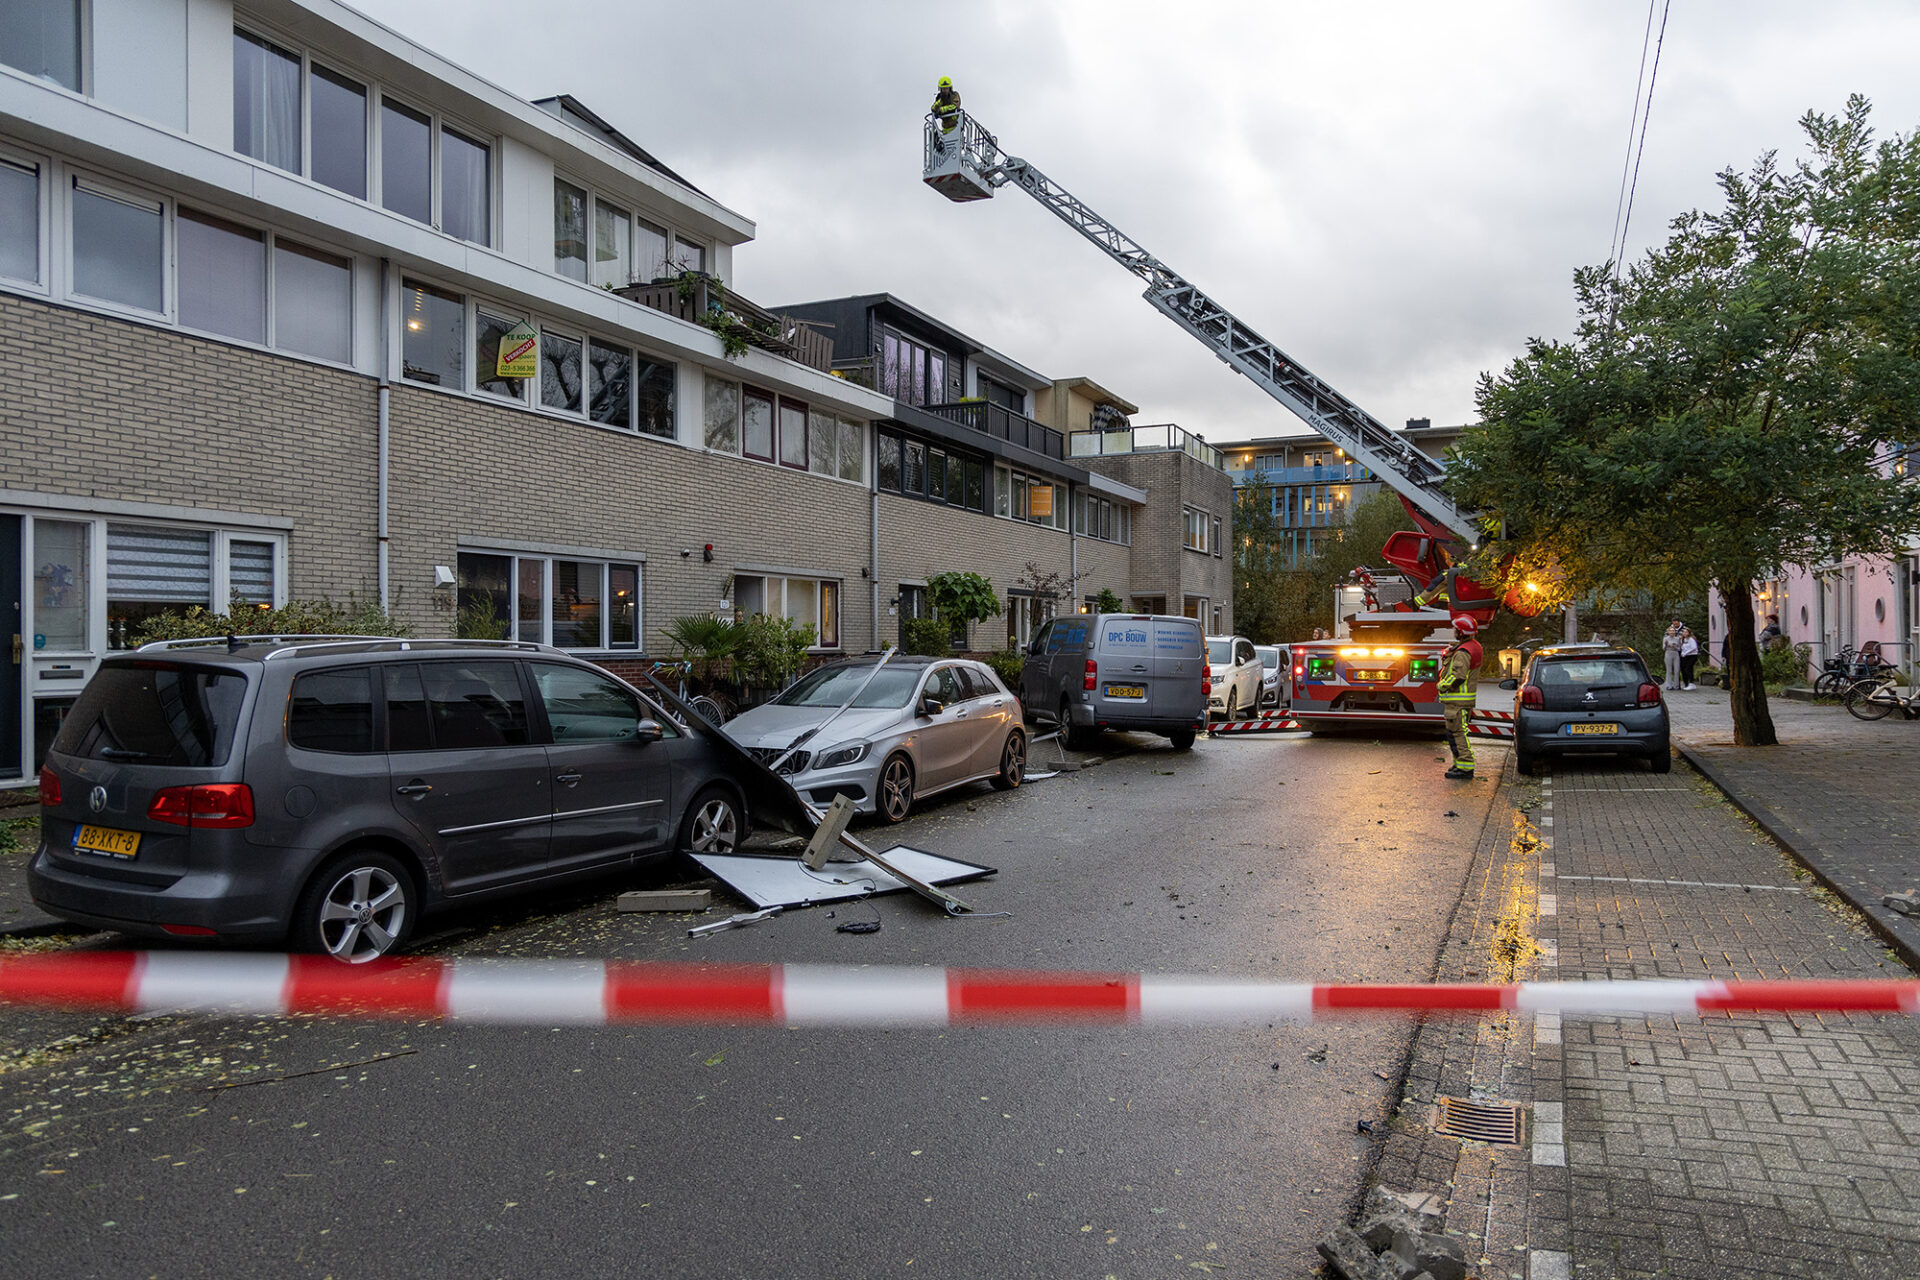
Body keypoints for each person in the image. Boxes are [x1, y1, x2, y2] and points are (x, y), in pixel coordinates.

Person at [1437, 615, 1482, 781]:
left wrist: (1441, 686)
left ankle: (1465, 768)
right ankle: (1459, 765)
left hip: (1457, 701)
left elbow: (1458, 677)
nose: (1453, 631)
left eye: (1455, 629)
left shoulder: (1463, 652)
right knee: (1454, 734)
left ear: (1460, 631)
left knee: (1457, 734)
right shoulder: (1470, 647)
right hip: (1460, 701)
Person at [1662, 621, 1683, 690]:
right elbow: (1663, 648)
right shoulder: (1665, 638)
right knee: (1669, 670)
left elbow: (1680, 648)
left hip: (1676, 653)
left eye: (1673, 631)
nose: (1672, 632)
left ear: (1675, 632)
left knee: (1677, 670)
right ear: (1668, 632)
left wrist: (1675, 647)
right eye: (1670, 631)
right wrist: (1666, 644)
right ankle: (1669, 685)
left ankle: (1676, 685)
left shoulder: (1677, 638)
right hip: (1668, 653)